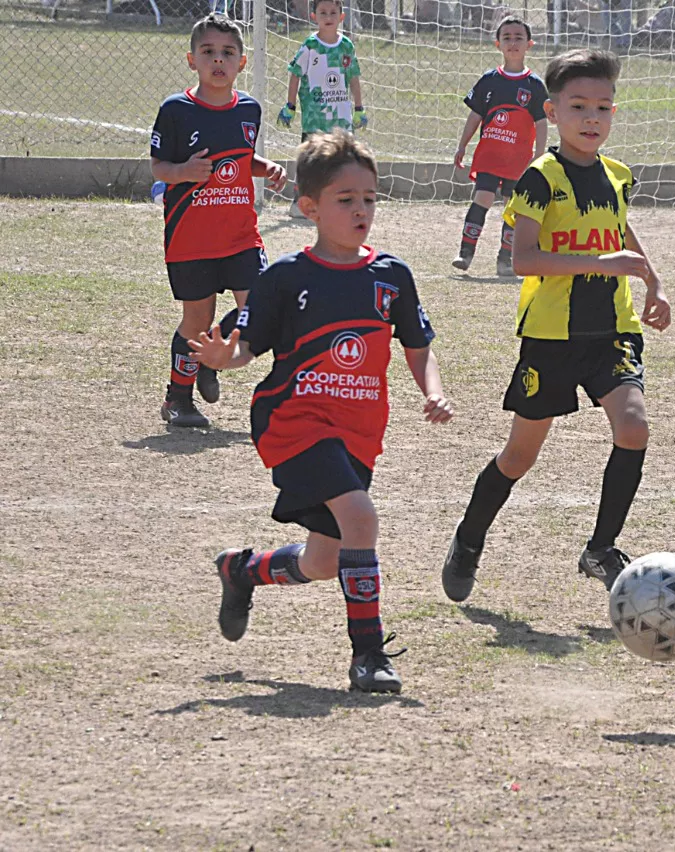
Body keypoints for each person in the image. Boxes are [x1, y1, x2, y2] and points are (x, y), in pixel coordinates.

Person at [189, 132, 453, 694]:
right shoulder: (286, 277)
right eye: (346, 199)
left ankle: (243, 570)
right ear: (310, 207)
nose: (361, 210)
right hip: (293, 421)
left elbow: (417, 346)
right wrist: (221, 358)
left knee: (325, 560)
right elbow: (246, 346)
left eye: (369, 199)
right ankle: (369, 655)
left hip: (360, 432)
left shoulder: (392, 276)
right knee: (361, 519)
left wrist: (433, 390)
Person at [441, 49, 672, 602]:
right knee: (519, 457)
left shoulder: (617, 175)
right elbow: (523, 258)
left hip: (613, 329)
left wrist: (654, 283)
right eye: (579, 106)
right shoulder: (539, 178)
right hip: (551, 336)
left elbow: (621, 231)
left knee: (634, 427)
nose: (592, 118)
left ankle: (601, 548)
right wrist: (602, 263)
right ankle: (469, 539)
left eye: (603, 107)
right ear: (552, 111)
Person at [149, 14, 288, 429]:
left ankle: (221, 364)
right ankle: (178, 400)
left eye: (227, 53)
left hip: (241, 235)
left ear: (242, 62)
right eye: (208, 52)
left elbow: (241, 157)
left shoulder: (248, 109)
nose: (218, 60)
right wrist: (182, 172)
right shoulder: (176, 110)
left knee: (261, 307)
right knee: (196, 321)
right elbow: (158, 167)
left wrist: (266, 167)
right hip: (191, 238)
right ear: (191, 59)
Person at [452, 16, 550, 278]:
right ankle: (465, 253)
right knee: (482, 198)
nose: (512, 42)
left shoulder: (534, 86)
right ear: (498, 44)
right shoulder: (489, 80)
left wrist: (539, 156)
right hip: (489, 156)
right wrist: (462, 145)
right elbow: (475, 115)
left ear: (529, 44)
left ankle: (505, 260)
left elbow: (541, 123)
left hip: (519, 160)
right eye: (507, 37)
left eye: (519, 37)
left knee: (512, 207)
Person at [277, 0, 367, 218]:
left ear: (341, 17)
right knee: (311, 161)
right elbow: (295, 75)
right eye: (323, 12)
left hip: (341, 118)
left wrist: (359, 108)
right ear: (314, 16)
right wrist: (290, 106)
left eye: (333, 12)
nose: (328, 17)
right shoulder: (310, 46)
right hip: (314, 118)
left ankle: (341, 204)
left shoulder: (346, 46)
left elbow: (353, 77)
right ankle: (300, 203)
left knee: (344, 161)